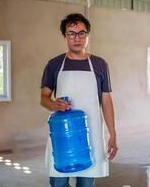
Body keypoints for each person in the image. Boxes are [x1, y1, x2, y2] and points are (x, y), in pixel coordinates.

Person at [40, 13, 118, 187]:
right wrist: (53, 104)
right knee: (58, 182)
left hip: (90, 133)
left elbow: (106, 100)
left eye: (82, 33)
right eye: (72, 33)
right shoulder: (54, 64)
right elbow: (43, 98)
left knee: (86, 182)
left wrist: (112, 134)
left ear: (87, 35)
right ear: (64, 36)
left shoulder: (100, 64)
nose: (77, 38)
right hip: (63, 133)